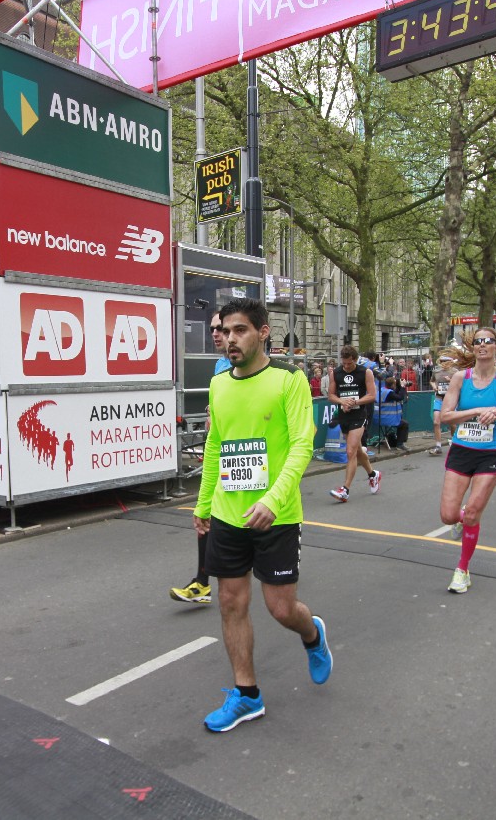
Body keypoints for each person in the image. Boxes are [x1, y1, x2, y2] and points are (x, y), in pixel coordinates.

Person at [193, 298, 331, 733]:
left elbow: (302, 445)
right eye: (225, 331)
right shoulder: (219, 383)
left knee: (281, 608)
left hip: (277, 515)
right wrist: (203, 503)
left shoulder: (288, 379)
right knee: (230, 602)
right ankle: (247, 695)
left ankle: (312, 634)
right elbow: (216, 446)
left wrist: (273, 500)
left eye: (240, 330)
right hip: (228, 513)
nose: (230, 339)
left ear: (263, 332)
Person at [437, 329, 496, 593]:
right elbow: (445, 416)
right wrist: (476, 411)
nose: (483, 345)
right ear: (473, 347)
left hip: (491, 452)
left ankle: (462, 570)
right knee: (448, 516)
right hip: (462, 450)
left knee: (474, 512)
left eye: (489, 341)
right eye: (478, 342)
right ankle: (462, 519)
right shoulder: (460, 378)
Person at [171, 310, 230, 605]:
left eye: (221, 328)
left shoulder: (262, 368)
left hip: (250, 455)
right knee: (208, 515)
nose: (216, 334)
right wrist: (211, 412)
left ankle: (282, 560)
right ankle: (202, 583)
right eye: (212, 329)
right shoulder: (220, 365)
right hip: (220, 447)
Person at [327, 345, 380, 502]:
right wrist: (342, 401)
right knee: (357, 451)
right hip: (344, 416)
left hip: (359, 415)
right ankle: (373, 474)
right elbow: (331, 395)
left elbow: (372, 395)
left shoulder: (365, 372)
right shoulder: (336, 373)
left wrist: (355, 402)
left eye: (349, 363)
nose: (346, 366)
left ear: (355, 360)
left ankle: (345, 489)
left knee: (350, 451)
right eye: (344, 363)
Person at [429, 356, 456, 456]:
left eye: (446, 361)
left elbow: (461, 385)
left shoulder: (455, 372)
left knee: (452, 423)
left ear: (450, 362)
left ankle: (454, 443)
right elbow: (432, 381)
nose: (443, 363)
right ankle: (438, 446)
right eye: (442, 361)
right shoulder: (436, 371)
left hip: (450, 400)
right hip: (439, 398)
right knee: (436, 422)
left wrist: (451, 381)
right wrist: (434, 386)